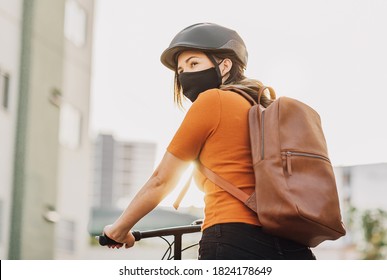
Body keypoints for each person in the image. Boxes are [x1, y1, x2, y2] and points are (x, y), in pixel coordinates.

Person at [103, 22, 316, 260]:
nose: (185, 75)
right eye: (181, 71)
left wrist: (119, 229)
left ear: (225, 65)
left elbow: (161, 180)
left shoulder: (213, 101)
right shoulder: (265, 109)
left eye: (194, 63)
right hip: (292, 245)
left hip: (234, 240)